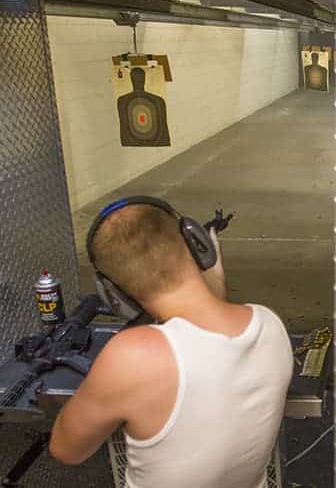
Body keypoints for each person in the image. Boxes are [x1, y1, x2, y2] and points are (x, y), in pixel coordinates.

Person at [49, 199, 293, 488]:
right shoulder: (269, 324)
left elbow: (67, 449)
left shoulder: (134, 356)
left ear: (113, 295)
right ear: (196, 244)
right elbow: (210, 337)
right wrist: (213, 276)